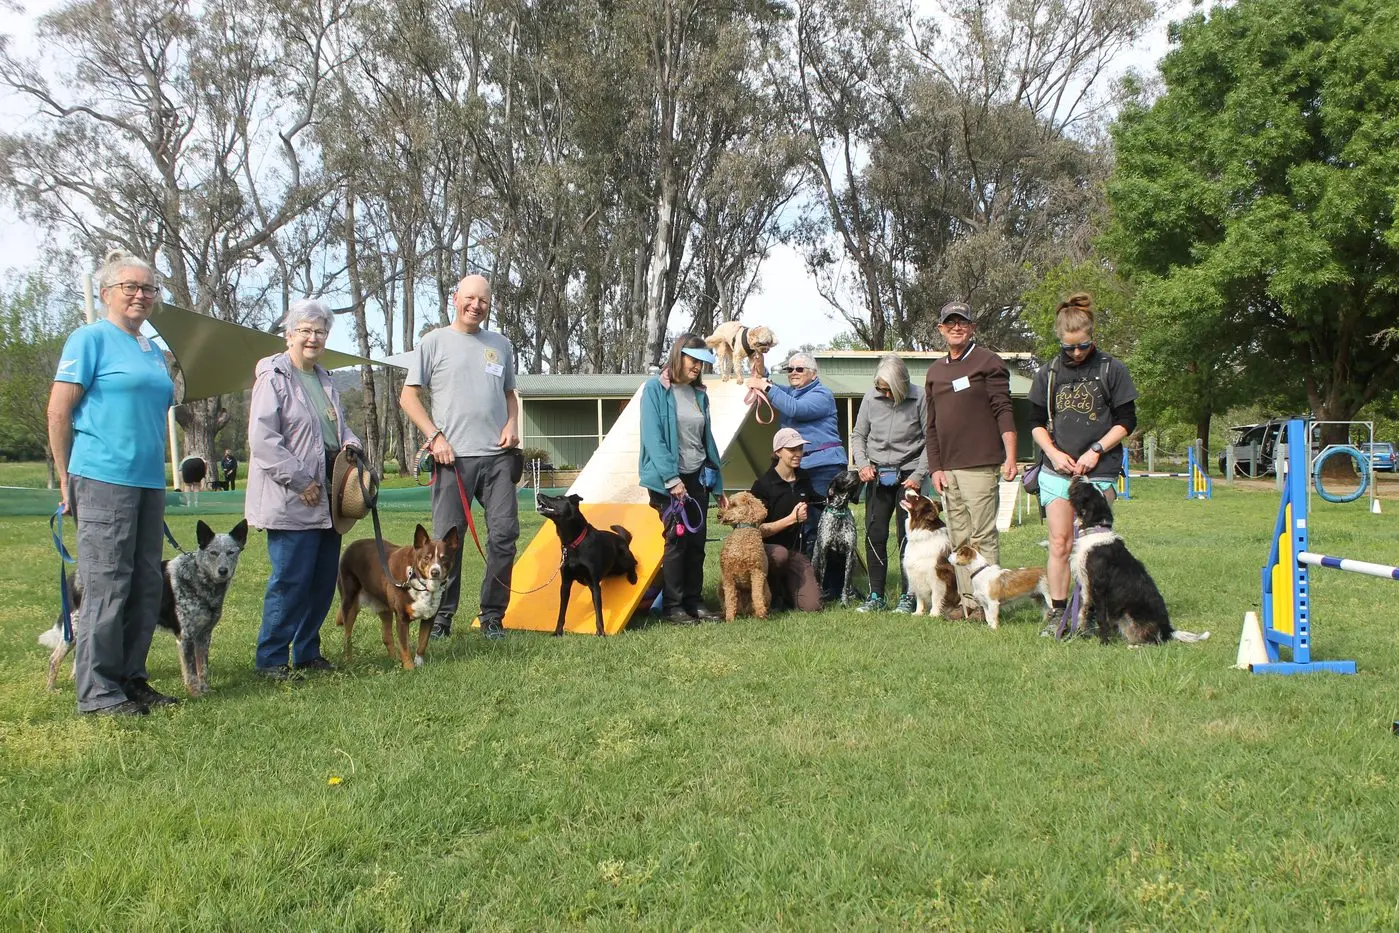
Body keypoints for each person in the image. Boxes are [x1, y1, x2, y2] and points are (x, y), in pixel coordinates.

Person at [46, 248, 177, 716]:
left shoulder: (153, 351)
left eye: (148, 288)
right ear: (106, 294)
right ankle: (98, 692)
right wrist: (66, 481)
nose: (141, 295)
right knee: (107, 584)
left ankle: (131, 678)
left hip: (148, 481)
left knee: (145, 582)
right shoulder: (89, 339)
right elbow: (59, 412)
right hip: (101, 477)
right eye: (131, 287)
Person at [245, 298, 361, 678]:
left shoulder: (325, 379)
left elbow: (337, 427)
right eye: (306, 331)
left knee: (322, 580)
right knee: (290, 580)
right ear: (289, 334)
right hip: (292, 495)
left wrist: (352, 443)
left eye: (320, 331)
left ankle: (308, 651)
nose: (313, 338)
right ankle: (272, 658)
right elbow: (263, 439)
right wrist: (299, 480)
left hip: (330, 494)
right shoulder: (274, 377)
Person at [401, 274, 520, 640]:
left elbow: (511, 395)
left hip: (498, 458)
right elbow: (408, 397)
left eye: (483, 300)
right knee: (446, 543)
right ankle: (441, 618)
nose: (476, 305)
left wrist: (513, 424)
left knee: (504, 536)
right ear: (455, 299)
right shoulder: (434, 342)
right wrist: (434, 437)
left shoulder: (500, 344)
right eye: (469, 298)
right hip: (451, 459)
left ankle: (492, 616)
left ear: (489, 304)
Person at [1028, 293, 1138, 626]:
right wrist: (1054, 453)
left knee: (1096, 549)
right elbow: (1034, 423)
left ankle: (1096, 614)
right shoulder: (1047, 374)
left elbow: (1126, 420)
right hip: (1057, 471)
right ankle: (1058, 611)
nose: (1076, 353)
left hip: (1098, 470)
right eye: (1069, 347)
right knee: (1060, 543)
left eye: (1083, 345)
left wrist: (1096, 450)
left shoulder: (1111, 369)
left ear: (1092, 336)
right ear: (1059, 341)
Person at [924, 301, 1019, 621]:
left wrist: (1011, 455)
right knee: (959, 539)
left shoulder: (987, 361)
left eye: (962, 322)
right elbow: (932, 425)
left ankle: (988, 605)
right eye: (949, 323)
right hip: (947, 469)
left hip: (980, 465)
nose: (956, 327)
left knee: (982, 536)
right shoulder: (935, 372)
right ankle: (968, 603)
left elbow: (1003, 409)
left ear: (972, 327)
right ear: (941, 329)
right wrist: (935, 467)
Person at [639, 333, 728, 623]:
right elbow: (653, 438)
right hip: (668, 481)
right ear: (679, 356)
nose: (698, 367)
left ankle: (694, 601)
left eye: (703, 363)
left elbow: (707, 440)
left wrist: (717, 484)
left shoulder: (699, 393)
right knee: (677, 542)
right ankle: (673, 606)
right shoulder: (655, 390)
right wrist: (672, 479)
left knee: (696, 542)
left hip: (697, 476)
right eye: (694, 360)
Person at [745, 352, 848, 597]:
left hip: (824, 468)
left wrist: (766, 386)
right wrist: (761, 368)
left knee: (827, 527)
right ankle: (810, 581)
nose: (793, 372)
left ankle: (834, 585)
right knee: (809, 525)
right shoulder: (791, 392)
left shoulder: (822, 395)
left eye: (799, 369)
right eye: (789, 368)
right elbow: (775, 388)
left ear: (813, 373)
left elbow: (794, 408)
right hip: (803, 468)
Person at [850, 354, 928, 614]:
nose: (882, 393)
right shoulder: (870, 398)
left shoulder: (920, 398)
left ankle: (910, 595)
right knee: (875, 533)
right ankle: (876, 595)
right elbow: (859, 435)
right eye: (879, 388)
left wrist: (918, 475)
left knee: (909, 536)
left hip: (909, 474)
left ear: (900, 386)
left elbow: (932, 440)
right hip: (877, 473)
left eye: (887, 389)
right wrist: (862, 464)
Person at [749, 427, 822, 612]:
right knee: (779, 554)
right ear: (778, 452)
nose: (798, 454)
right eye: (792, 449)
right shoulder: (762, 485)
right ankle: (773, 592)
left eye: (800, 449)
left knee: (812, 606)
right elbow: (755, 530)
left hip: (796, 552)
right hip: (767, 552)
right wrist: (791, 519)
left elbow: (819, 501)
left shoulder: (804, 478)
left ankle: (787, 592)